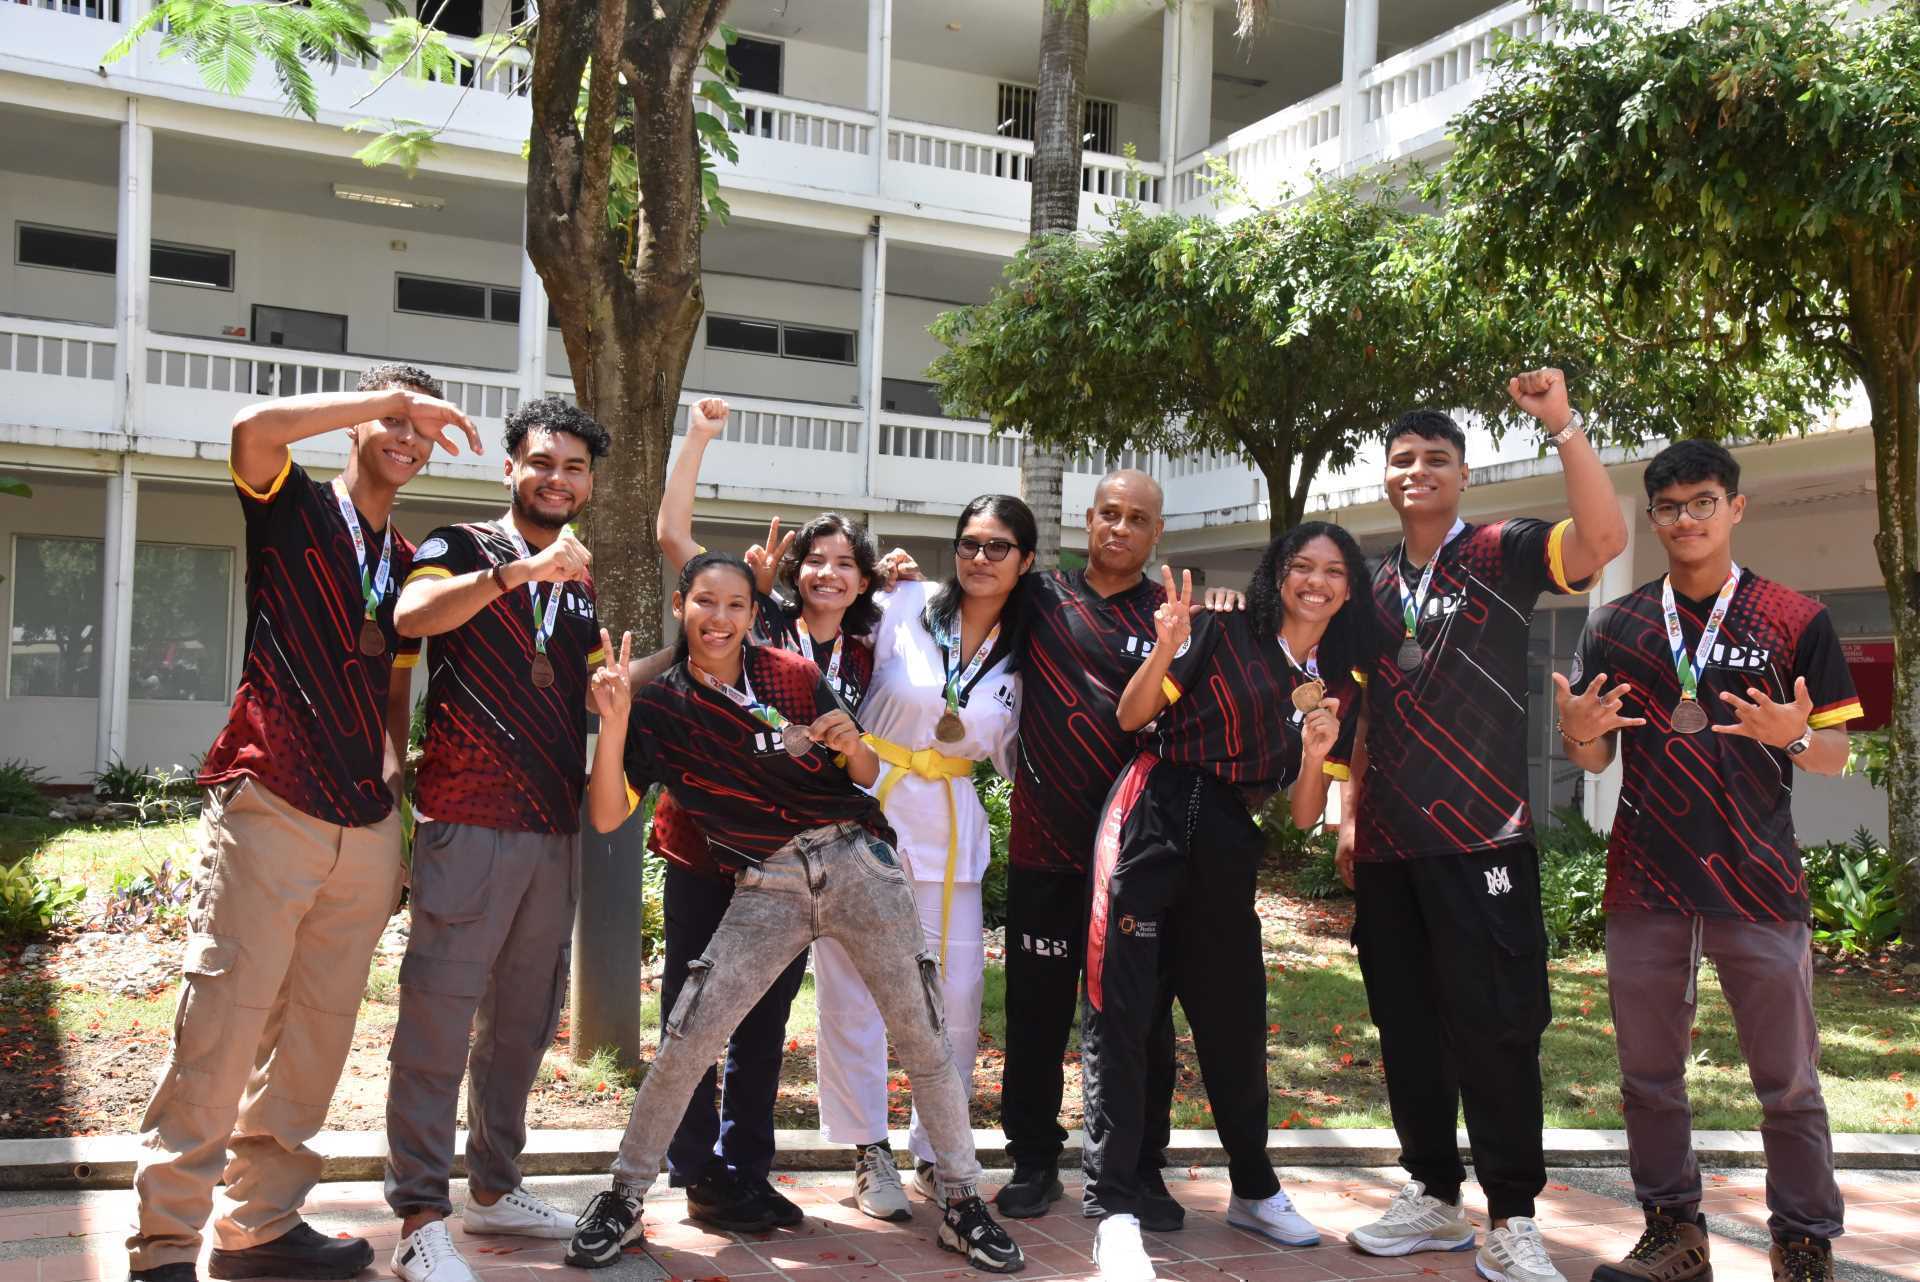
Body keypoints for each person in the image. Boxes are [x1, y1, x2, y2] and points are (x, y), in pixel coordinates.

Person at [569, 553, 1025, 1275]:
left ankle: (963, 1203)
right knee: (688, 1037)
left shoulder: (791, 673)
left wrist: (853, 750)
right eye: (705, 603)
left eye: (736, 606)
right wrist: (616, 721)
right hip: (767, 880)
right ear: (681, 605)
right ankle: (624, 1198)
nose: (719, 619)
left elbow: (869, 782)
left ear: (754, 614)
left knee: (923, 1034)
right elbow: (603, 816)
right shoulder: (660, 704)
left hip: (857, 861)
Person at [127, 367, 482, 1282]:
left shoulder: (408, 563)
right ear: (357, 426)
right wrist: (386, 402)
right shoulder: (289, 504)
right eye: (391, 420)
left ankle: (259, 1225)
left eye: (419, 428)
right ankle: (166, 1244)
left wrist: (394, 789)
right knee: (226, 1018)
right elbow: (251, 426)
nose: (405, 438)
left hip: (363, 818)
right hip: (273, 793)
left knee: (317, 1032)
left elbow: (397, 682)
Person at [1337, 369, 1628, 1282]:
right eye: (1403, 459)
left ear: (1462, 475)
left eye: (1435, 458)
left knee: (1498, 1028)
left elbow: (1605, 539)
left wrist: (1564, 426)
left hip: (1484, 841)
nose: (1417, 470)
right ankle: (1431, 1195)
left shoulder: (1500, 553)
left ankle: (1511, 1215)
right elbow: (1363, 717)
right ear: (1386, 478)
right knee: (1407, 1026)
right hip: (1388, 847)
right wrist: (1349, 821)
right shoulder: (1368, 587)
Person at [1556, 440, 1859, 1282]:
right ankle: (1673, 1232)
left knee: (1788, 1083)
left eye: (1702, 503)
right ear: (1651, 519)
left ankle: (1803, 1242)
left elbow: (1834, 752)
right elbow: (1590, 758)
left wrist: (1791, 734)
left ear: (1736, 508)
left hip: (1759, 878)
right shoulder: (1617, 625)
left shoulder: (1796, 618)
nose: (1686, 520)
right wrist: (1579, 734)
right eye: (1669, 507)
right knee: (1648, 1077)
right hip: (1646, 877)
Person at [1083, 524, 1369, 1282]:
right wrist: (1164, 644)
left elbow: (1304, 814)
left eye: (1333, 571)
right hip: (1154, 806)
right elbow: (1131, 717)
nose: (1316, 581)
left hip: (1229, 832)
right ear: (1279, 574)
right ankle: (1114, 1208)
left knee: (1234, 1016)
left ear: (1349, 587)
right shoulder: (1219, 631)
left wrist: (1314, 758)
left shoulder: (1341, 679)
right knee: (1125, 1013)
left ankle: (1255, 1188)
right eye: (1302, 565)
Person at [379, 397, 611, 1282]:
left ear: (588, 482)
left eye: (574, 467)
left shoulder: (582, 579)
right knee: (437, 1021)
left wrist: (699, 643)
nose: (557, 478)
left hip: (551, 827)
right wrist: (524, 575)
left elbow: (594, 685)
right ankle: (418, 1219)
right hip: (467, 820)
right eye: (542, 461)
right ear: (510, 466)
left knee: (521, 1022)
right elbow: (412, 617)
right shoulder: (461, 546)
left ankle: (494, 1185)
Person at [647, 400, 884, 1231]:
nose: (827, 573)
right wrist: (700, 439)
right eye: (813, 562)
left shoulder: (861, 647)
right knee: (696, 1008)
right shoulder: (752, 614)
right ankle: (697, 1170)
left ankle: (746, 1166)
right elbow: (677, 535)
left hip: (789, 865)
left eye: (844, 563)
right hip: (703, 849)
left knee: (765, 1017)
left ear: (862, 578)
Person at [814, 495, 1031, 1220]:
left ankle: (938, 1151)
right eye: (969, 542)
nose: (979, 557)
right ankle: (866, 1149)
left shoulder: (1028, 647)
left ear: (1024, 560)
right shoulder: (904, 603)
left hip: (950, 824)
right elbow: (827, 634)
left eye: (998, 546)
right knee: (854, 988)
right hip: (870, 806)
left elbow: (1022, 751)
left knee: (957, 997)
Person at [996, 469, 1185, 1227]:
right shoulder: (1038, 597)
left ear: (1155, 533)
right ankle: (1034, 1161)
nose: (1120, 527)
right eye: (1109, 513)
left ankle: (1142, 1167)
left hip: (1137, 858)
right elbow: (962, 603)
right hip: (1045, 846)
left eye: (1137, 518)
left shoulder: (1172, 615)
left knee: (1142, 1018)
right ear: (1088, 519)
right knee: (1036, 1014)